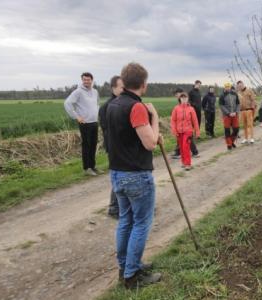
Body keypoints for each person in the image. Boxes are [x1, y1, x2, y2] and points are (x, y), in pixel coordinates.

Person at [106, 62, 162, 288]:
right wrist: (155, 119)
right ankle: (132, 275)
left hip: (117, 173)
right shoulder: (136, 107)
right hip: (136, 174)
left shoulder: (112, 105)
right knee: (140, 223)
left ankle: (126, 265)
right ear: (143, 84)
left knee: (125, 221)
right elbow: (150, 143)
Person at [64, 72, 100, 176]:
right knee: (86, 145)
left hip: (94, 122)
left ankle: (93, 166)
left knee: (93, 144)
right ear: (82, 80)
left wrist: (96, 114)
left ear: (91, 80)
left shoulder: (95, 91)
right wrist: (77, 117)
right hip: (85, 123)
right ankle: (87, 168)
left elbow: (97, 104)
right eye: (84, 80)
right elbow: (67, 103)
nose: (86, 81)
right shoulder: (78, 92)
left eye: (88, 80)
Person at [98, 75, 124, 218]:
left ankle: (122, 207)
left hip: (122, 147)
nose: (124, 90)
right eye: (121, 87)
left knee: (123, 176)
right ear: (113, 88)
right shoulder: (107, 107)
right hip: (115, 148)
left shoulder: (125, 103)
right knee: (118, 177)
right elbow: (107, 130)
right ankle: (114, 208)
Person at [171, 93, 200, 170]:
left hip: (188, 131)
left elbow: (195, 121)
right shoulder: (176, 108)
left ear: (187, 99)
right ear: (180, 99)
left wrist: (197, 131)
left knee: (185, 146)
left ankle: (188, 164)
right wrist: (174, 130)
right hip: (179, 131)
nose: (184, 99)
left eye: (185, 98)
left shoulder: (191, 109)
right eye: (182, 98)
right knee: (181, 147)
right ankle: (184, 162)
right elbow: (173, 120)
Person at [219, 82, 240, 150]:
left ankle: (231, 141)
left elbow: (238, 104)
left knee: (236, 129)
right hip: (226, 115)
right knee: (227, 130)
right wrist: (228, 113)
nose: (227, 88)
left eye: (228, 86)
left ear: (230, 87)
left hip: (234, 115)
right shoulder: (222, 96)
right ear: (224, 87)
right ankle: (229, 145)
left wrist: (236, 112)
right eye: (226, 87)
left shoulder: (235, 94)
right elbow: (221, 106)